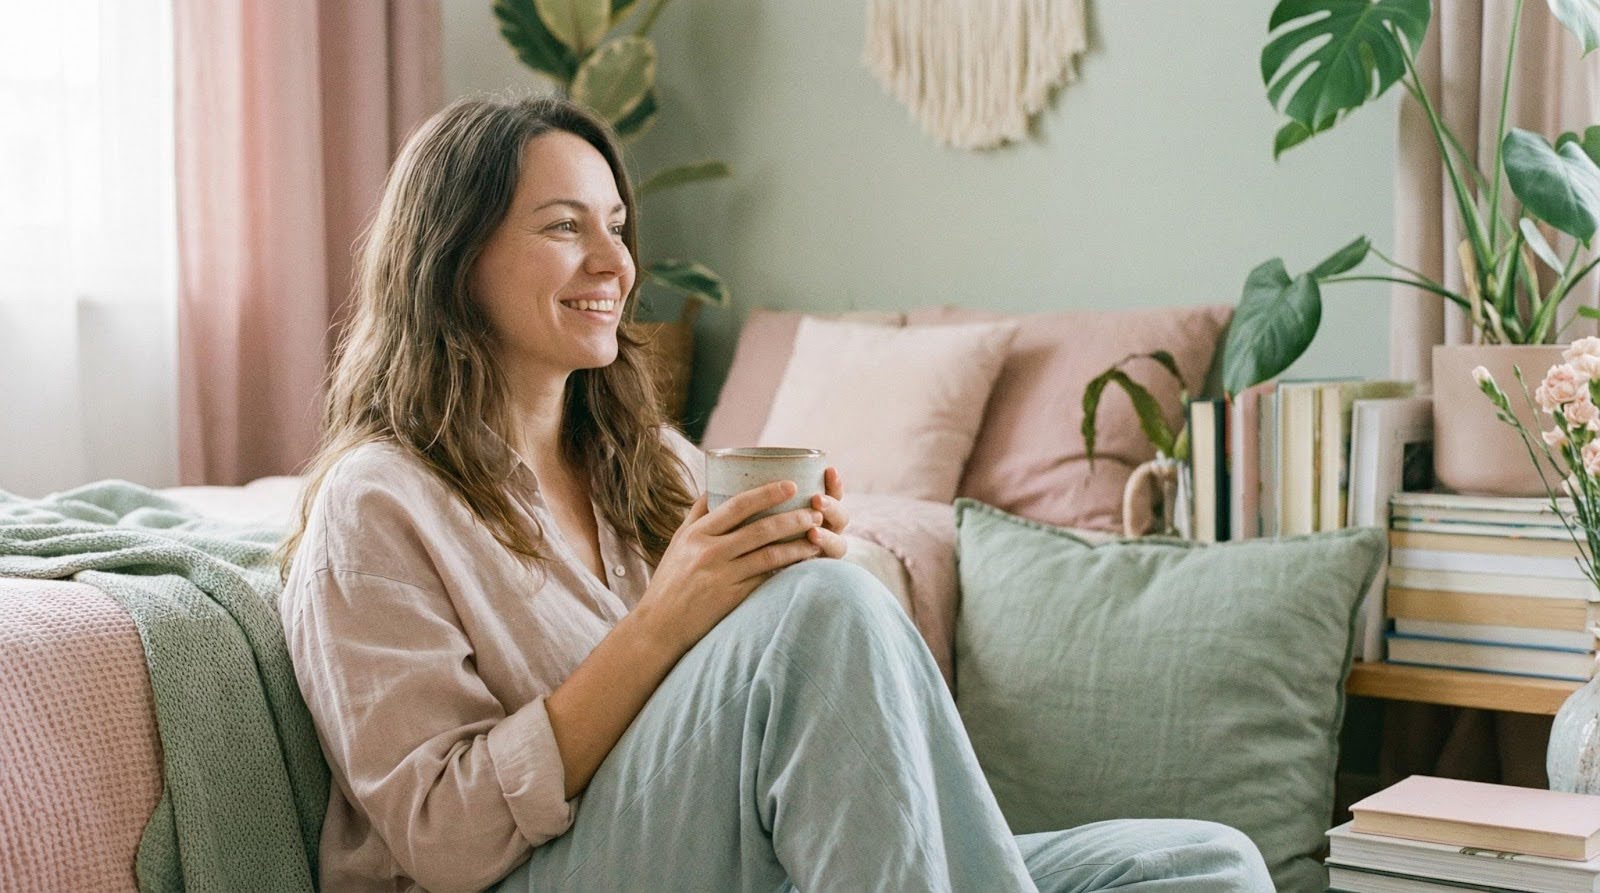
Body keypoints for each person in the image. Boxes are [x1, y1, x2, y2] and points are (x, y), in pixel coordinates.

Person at [278, 94, 1273, 892]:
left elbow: (768, 702)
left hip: (725, 851)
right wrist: (678, 621)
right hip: (532, 872)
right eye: (562, 227)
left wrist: (794, 590)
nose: (613, 263)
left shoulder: (650, 462)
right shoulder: (378, 505)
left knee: (1203, 864)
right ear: (454, 260)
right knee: (827, 611)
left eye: (617, 227)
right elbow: (443, 838)